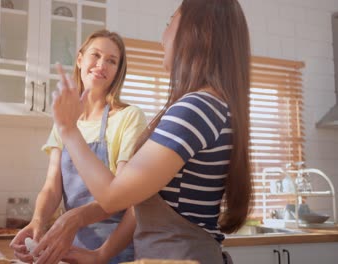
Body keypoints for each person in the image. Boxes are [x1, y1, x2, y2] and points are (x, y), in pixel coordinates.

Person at [49, 0, 253, 263]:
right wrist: (100, 255)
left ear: (195, 32)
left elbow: (114, 196)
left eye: (170, 22)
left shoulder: (196, 108)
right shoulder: (208, 105)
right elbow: (142, 197)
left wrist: (68, 130)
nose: (163, 35)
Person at [10, 29, 147, 264]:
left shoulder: (128, 117)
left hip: (113, 250)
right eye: (96, 55)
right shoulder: (65, 119)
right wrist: (37, 221)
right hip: (70, 249)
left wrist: (74, 218)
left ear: (117, 71)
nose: (102, 64)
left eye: (112, 61)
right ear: (80, 59)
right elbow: (53, 186)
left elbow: (124, 196)